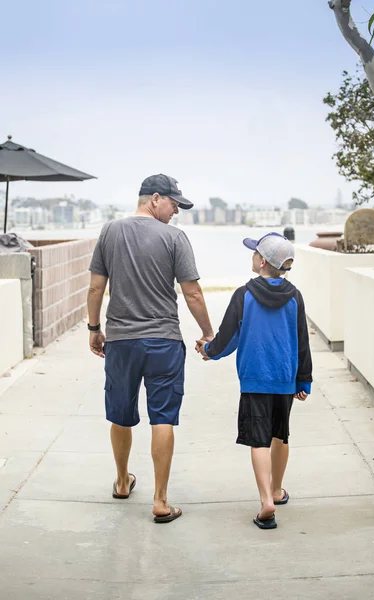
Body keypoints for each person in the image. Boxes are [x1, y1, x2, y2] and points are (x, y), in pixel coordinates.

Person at [87, 174, 214, 523]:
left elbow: (96, 287)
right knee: (163, 417)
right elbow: (192, 293)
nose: (176, 212)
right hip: (163, 342)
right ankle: (160, 500)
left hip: (121, 340)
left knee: (120, 413)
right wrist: (208, 332)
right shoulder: (175, 238)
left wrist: (95, 328)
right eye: (174, 204)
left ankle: (121, 481)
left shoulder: (110, 231)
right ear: (155, 198)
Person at [196, 233, 312, 529]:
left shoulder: (244, 295)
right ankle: (277, 489)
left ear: (261, 261)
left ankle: (266, 502)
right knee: (280, 435)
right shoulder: (295, 296)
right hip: (284, 379)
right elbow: (302, 340)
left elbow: (228, 336)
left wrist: (209, 350)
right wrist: (304, 380)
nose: (250, 257)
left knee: (258, 440)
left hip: (254, 379)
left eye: (253, 253)